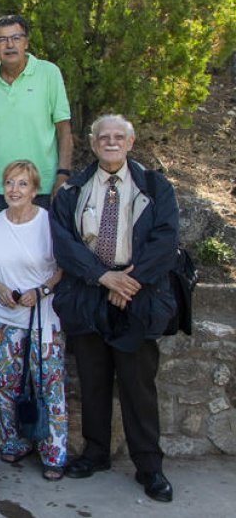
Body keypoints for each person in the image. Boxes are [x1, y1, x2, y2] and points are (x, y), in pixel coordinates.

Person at [51, 115, 179, 503]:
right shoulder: (73, 190)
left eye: (118, 136)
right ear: (93, 144)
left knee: (138, 386)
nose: (111, 142)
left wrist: (127, 281)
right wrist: (104, 278)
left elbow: (165, 241)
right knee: (93, 380)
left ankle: (149, 465)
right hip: (90, 293)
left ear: (130, 142)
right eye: (103, 137)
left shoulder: (155, 187)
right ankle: (95, 453)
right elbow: (65, 244)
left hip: (138, 294)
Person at [0, 160, 66, 481]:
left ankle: (53, 453)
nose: (15, 190)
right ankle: (12, 442)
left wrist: (41, 290)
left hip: (43, 317)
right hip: (3, 316)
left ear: (34, 190)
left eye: (23, 184)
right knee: (5, 385)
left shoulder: (49, 222)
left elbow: (62, 267)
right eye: (10, 183)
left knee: (48, 385)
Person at [0, 14, 73, 217]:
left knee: (44, 238)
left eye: (16, 38)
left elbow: (64, 130)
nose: (10, 44)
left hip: (42, 184)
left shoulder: (49, 73)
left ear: (26, 42)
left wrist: (63, 174)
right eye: (2, 39)